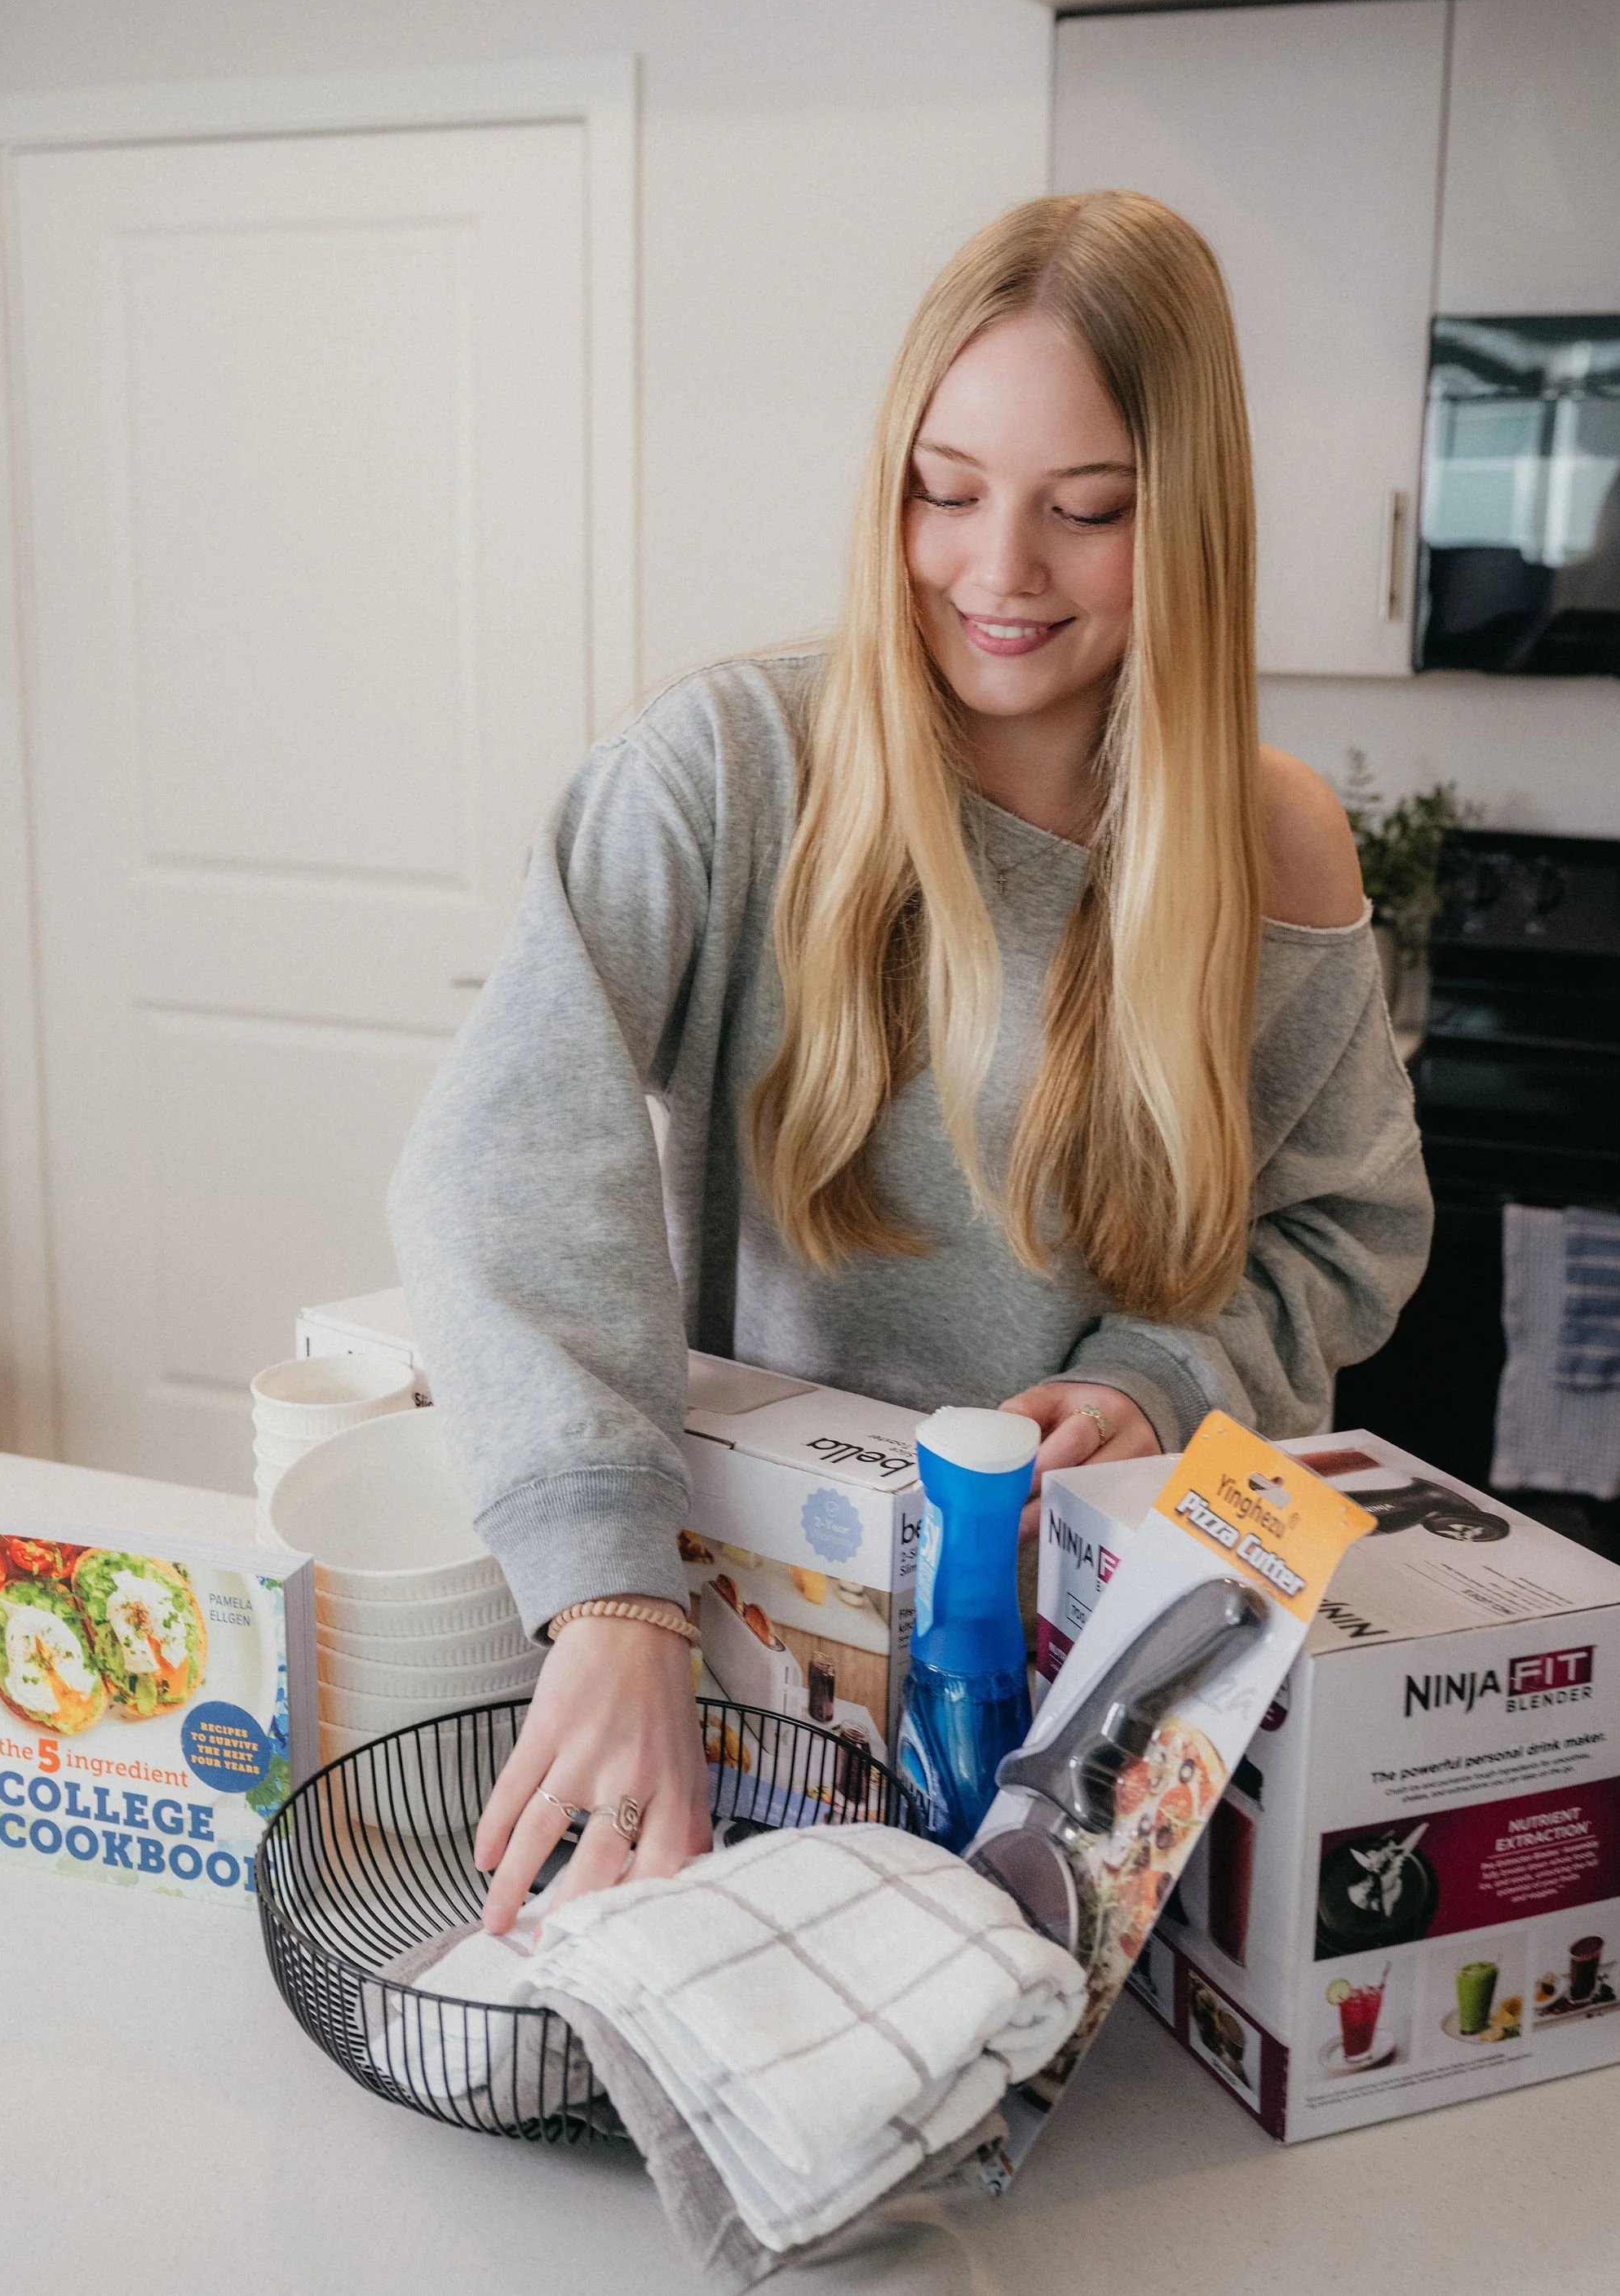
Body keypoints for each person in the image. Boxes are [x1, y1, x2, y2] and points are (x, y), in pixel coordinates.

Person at [387, 190, 1432, 1930]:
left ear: (1186, 523)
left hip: (1088, 1679)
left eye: (1084, 512)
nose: (995, 571)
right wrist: (609, 1591)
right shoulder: (722, 772)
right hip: (730, 1651)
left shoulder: (1274, 843)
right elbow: (501, 1165)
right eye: (944, 491)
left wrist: (1164, 1375)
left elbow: (1346, 1235)